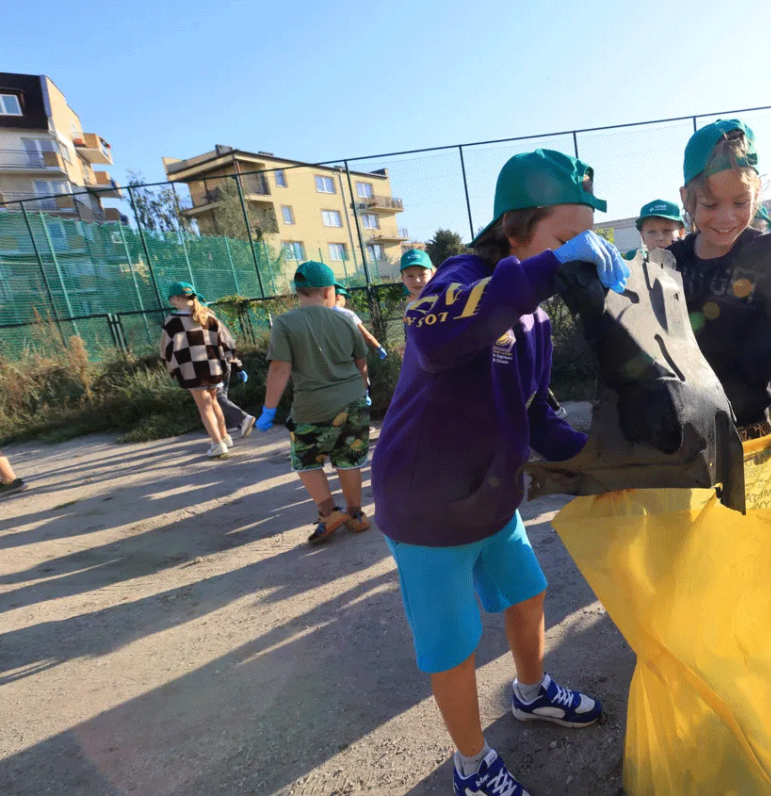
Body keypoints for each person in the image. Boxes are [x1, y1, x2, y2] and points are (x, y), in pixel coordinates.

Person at [372, 149, 626, 796]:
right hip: (429, 506)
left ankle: (531, 690)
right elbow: (434, 337)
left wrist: (596, 460)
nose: (574, 255)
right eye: (566, 239)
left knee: (528, 592)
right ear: (515, 228)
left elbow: (536, 410)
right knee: (453, 644)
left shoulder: (535, 318)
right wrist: (546, 269)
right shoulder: (460, 279)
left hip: (491, 497)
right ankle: (471, 761)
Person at [669, 118, 771, 433]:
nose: (726, 218)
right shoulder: (672, 262)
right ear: (687, 199)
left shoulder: (769, 255)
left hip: (748, 428)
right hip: (686, 431)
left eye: (741, 202)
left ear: (757, 193)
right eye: (711, 204)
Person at [256, 261, 373, 545]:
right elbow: (360, 361)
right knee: (349, 459)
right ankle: (356, 514)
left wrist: (269, 408)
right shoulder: (346, 319)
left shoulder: (285, 323)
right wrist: (364, 389)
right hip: (353, 401)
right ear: (328, 290)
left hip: (311, 407)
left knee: (307, 462)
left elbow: (280, 369)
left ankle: (329, 513)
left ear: (299, 291)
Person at [159, 282, 238, 458]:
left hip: (192, 371)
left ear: (176, 299)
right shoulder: (209, 317)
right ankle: (224, 437)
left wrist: (171, 369)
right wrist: (231, 362)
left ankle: (218, 445)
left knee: (205, 408)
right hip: (214, 367)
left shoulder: (172, 322)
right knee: (214, 402)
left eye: (171, 298)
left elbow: (165, 350)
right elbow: (227, 341)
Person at [333, 283, 388, 359]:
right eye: (345, 297)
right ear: (338, 296)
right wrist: (379, 347)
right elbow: (366, 335)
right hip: (347, 353)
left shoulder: (323, 313)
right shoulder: (348, 314)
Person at [623, 199, 687, 261]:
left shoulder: (693, 266)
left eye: (667, 231)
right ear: (643, 237)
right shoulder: (637, 270)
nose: (659, 237)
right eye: (652, 232)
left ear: (681, 233)